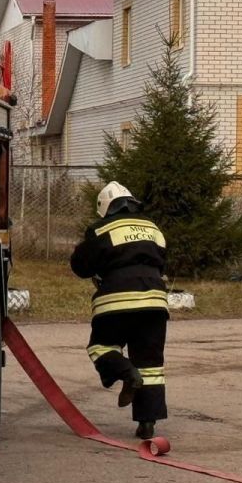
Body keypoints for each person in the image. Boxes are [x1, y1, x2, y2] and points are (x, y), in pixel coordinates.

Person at [70, 182, 169, 440]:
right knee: (150, 365)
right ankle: (147, 424)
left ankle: (127, 372)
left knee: (101, 347)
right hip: (155, 301)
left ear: (105, 208)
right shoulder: (152, 227)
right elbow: (162, 260)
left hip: (116, 300)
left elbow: (80, 266)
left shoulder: (101, 229)